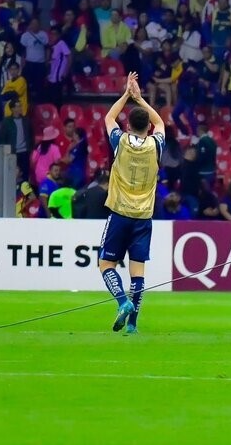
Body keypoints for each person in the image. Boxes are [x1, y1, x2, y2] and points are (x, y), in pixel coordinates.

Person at [99, 73, 165, 334]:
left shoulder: (121, 142)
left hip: (119, 213)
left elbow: (108, 118)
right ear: (148, 127)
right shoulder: (156, 145)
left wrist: (127, 95)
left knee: (106, 265)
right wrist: (141, 99)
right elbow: (160, 121)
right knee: (138, 272)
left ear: (128, 126)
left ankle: (122, 302)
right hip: (143, 217)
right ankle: (133, 325)